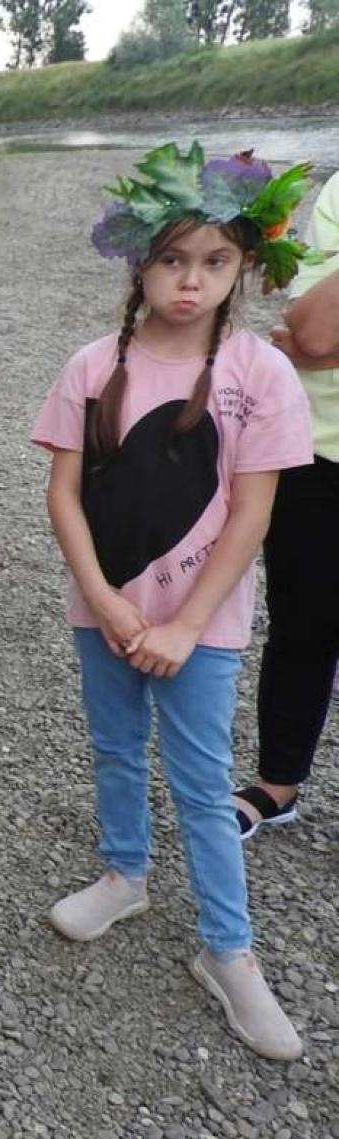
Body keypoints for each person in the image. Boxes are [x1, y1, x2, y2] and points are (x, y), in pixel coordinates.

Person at [33, 143, 313, 1062]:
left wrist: (187, 624)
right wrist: (112, 608)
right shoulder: (88, 366)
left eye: (214, 261)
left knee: (201, 784)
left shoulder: (261, 373)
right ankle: (125, 873)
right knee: (115, 747)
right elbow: (64, 496)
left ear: (245, 265)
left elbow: (252, 509)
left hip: (206, 629)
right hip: (105, 611)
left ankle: (230, 952)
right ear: (139, 262)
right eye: (171, 260)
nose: (190, 282)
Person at [234, 169, 339, 838]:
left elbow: (314, 338)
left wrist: (313, 346)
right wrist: (311, 345)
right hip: (317, 441)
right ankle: (278, 783)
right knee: (302, 621)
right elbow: (305, 324)